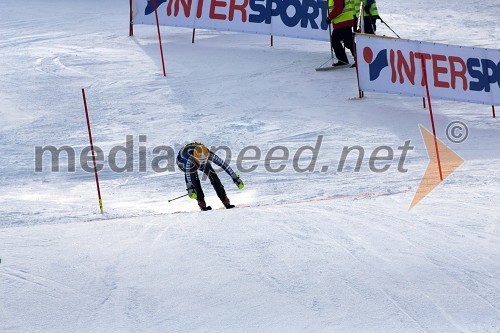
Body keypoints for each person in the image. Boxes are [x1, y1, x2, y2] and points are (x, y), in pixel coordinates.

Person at [177, 142, 244, 211]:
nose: (201, 164)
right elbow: (188, 175)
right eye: (200, 161)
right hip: (182, 162)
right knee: (194, 180)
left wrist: (235, 177)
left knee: (213, 175)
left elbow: (223, 165)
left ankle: (225, 200)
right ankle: (201, 203)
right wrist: (190, 188)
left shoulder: (209, 154)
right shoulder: (188, 159)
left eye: (203, 161)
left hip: (198, 157)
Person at [326, 0, 356, 67]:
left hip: (344, 21)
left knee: (348, 42)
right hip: (340, 22)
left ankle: (359, 60)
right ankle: (343, 60)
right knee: (335, 41)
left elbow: (338, 8)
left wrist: (330, 17)